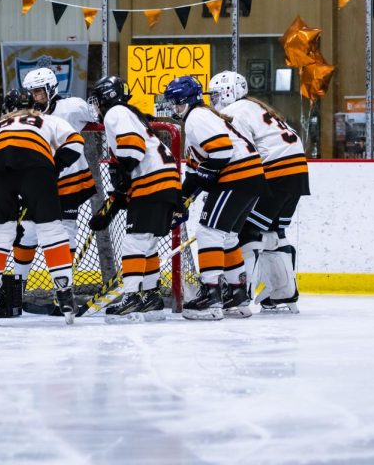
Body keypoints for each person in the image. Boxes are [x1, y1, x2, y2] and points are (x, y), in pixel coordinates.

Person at [0, 88, 84, 324]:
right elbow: (76, 143)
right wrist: (54, 166)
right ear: (35, 106)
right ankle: (65, 294)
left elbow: (0, 156)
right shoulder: (48, 120)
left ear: (5, 109)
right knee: (51, 228)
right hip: (36, 163)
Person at [163, 75, 266, 321]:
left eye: (177, 103)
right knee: (227, 237)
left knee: (209, 233)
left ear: (188, 101)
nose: (174, 108)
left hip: (237, 178)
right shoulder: (202, 117)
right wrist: (182, 199)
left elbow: (221, 152)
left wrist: (202, 178)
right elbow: (198, 170)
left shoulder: (196, 118)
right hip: (251, 178)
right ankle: (237, 296)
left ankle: (211, 297)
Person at [207, 70, 308, 314]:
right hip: (297, 173)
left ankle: (239, 295)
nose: (213, 99)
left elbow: (238, 153)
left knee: (245, 233)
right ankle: (283, 292)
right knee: (274, 231)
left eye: (216, 93)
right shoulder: (254, 107)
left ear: (228, 92)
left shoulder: (233, 112)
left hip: (275, 172)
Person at [87, 75, 182, 322]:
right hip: (167, 181)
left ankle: (131, 297)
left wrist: (121, 184)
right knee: (147, 243)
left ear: (106, 98)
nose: (96, 106)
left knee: (134, 241)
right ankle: (150, 295)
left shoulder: (115, 112)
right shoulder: (130, 113)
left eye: (97, 100)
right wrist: (120, 194)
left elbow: (132, 149)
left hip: (152, 181)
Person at [5, 67, 98, 315]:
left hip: (71, 179)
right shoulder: (29, 116)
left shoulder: (72, 107)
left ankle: (62, 293)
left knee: (65, 233)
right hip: (40, 183)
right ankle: (16, 290)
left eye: (39, 92)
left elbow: (99, 116)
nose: (35, 97)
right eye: (32, 92)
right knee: (27, 234)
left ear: (51, 89)